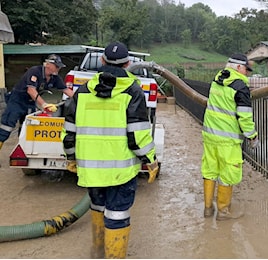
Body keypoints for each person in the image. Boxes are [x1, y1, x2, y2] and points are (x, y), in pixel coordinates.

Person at [61, 41, 157, 258]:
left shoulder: (83, 91)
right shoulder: (133, 92)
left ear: (102, 61)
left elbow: (69, 129)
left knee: (97, 207)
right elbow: (138, 136)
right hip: (120, 172)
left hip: (91, 170)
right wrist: (151, 161)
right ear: (128, 63)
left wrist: (70, 157)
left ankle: (97, 251)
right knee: (117, 214)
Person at [201, 53, 259, 221]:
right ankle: (223, 211)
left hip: (210, 135)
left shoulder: (217, 79)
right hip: (228, 139)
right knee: (228, 174)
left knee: (210, 169)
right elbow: (245, 117)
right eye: (246, 69)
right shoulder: (240, 86)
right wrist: (252, 136)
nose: (247, 73)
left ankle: (207, 208)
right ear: (239, 67)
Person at [0, 54, 73, 153]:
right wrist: (44, 105)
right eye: (56, 66)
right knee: (6, 128)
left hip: (30, 103)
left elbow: (67, 91)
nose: (58, 68)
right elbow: (31, 90)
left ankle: (23, 152)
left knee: (27, 130)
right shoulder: (35, 71)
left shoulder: (54, 78)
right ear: (48, 64)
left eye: (59, 66)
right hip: (17, 101)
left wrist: (81, 98)